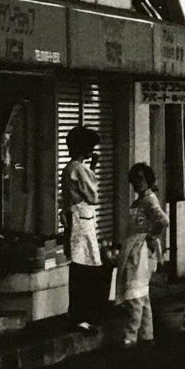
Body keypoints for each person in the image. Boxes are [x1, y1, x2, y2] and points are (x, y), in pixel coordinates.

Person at [119, 162, 166, 346]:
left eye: (141, 179)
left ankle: (130, 337)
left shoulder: (149, 200)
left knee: (134, 294)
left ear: (148, 179)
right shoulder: (140, 200)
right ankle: (147, 335)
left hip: (140, 252)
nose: (138, 183)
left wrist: (149, 238)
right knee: (142, 293)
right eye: (135, 180)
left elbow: (163, 220)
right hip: (136, 250)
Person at [61, 125, 103, 326]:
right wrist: (93, 168)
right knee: (85, 267)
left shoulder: (69, 168)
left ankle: (76, 312)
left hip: (74, 218)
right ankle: (82, 313)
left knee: (78, 265)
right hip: (82, 220)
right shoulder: (80, 168)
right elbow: (92, 195)